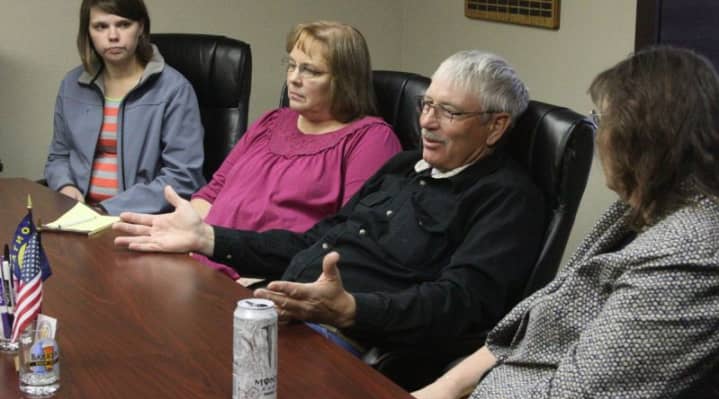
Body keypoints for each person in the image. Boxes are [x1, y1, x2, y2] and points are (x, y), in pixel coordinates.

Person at [113, 50, 546, 355]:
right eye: (426, 105)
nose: (427, 122)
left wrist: (350, 310)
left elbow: (460, 304)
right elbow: (313, 240)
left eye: (448, 112)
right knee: (138, 333)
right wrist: (208, 238)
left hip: (351, 343)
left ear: (496, 126)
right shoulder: (403, 166)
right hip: (285, 312)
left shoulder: (507, 199)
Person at [412, 46, 719, 399]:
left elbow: (577, 394)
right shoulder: (639, 206)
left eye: (602, 121)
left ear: (637, 138)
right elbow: (545, 311)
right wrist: (443, 388)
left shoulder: (690, 252)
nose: (599, 136)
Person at [189, 21, 402, 280]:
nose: (293, 79)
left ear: (344, 80)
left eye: (309, 70)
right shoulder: (271, 121)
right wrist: (190, 235)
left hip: (270, 280)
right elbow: (211, 194)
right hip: (201, 263)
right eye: (291, 65)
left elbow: (350, 236)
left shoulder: (370, 139)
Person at [44, 0, 205, 215]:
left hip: (143, 219)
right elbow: (59, 157)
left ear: (141, 27)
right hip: (80, 215)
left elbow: (183, 177)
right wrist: (65, 186)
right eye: (101, 26)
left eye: (123, 24)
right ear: (88, 32)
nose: (113, 36)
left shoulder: (175, 90)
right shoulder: (71, 84)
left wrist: (106, 210)